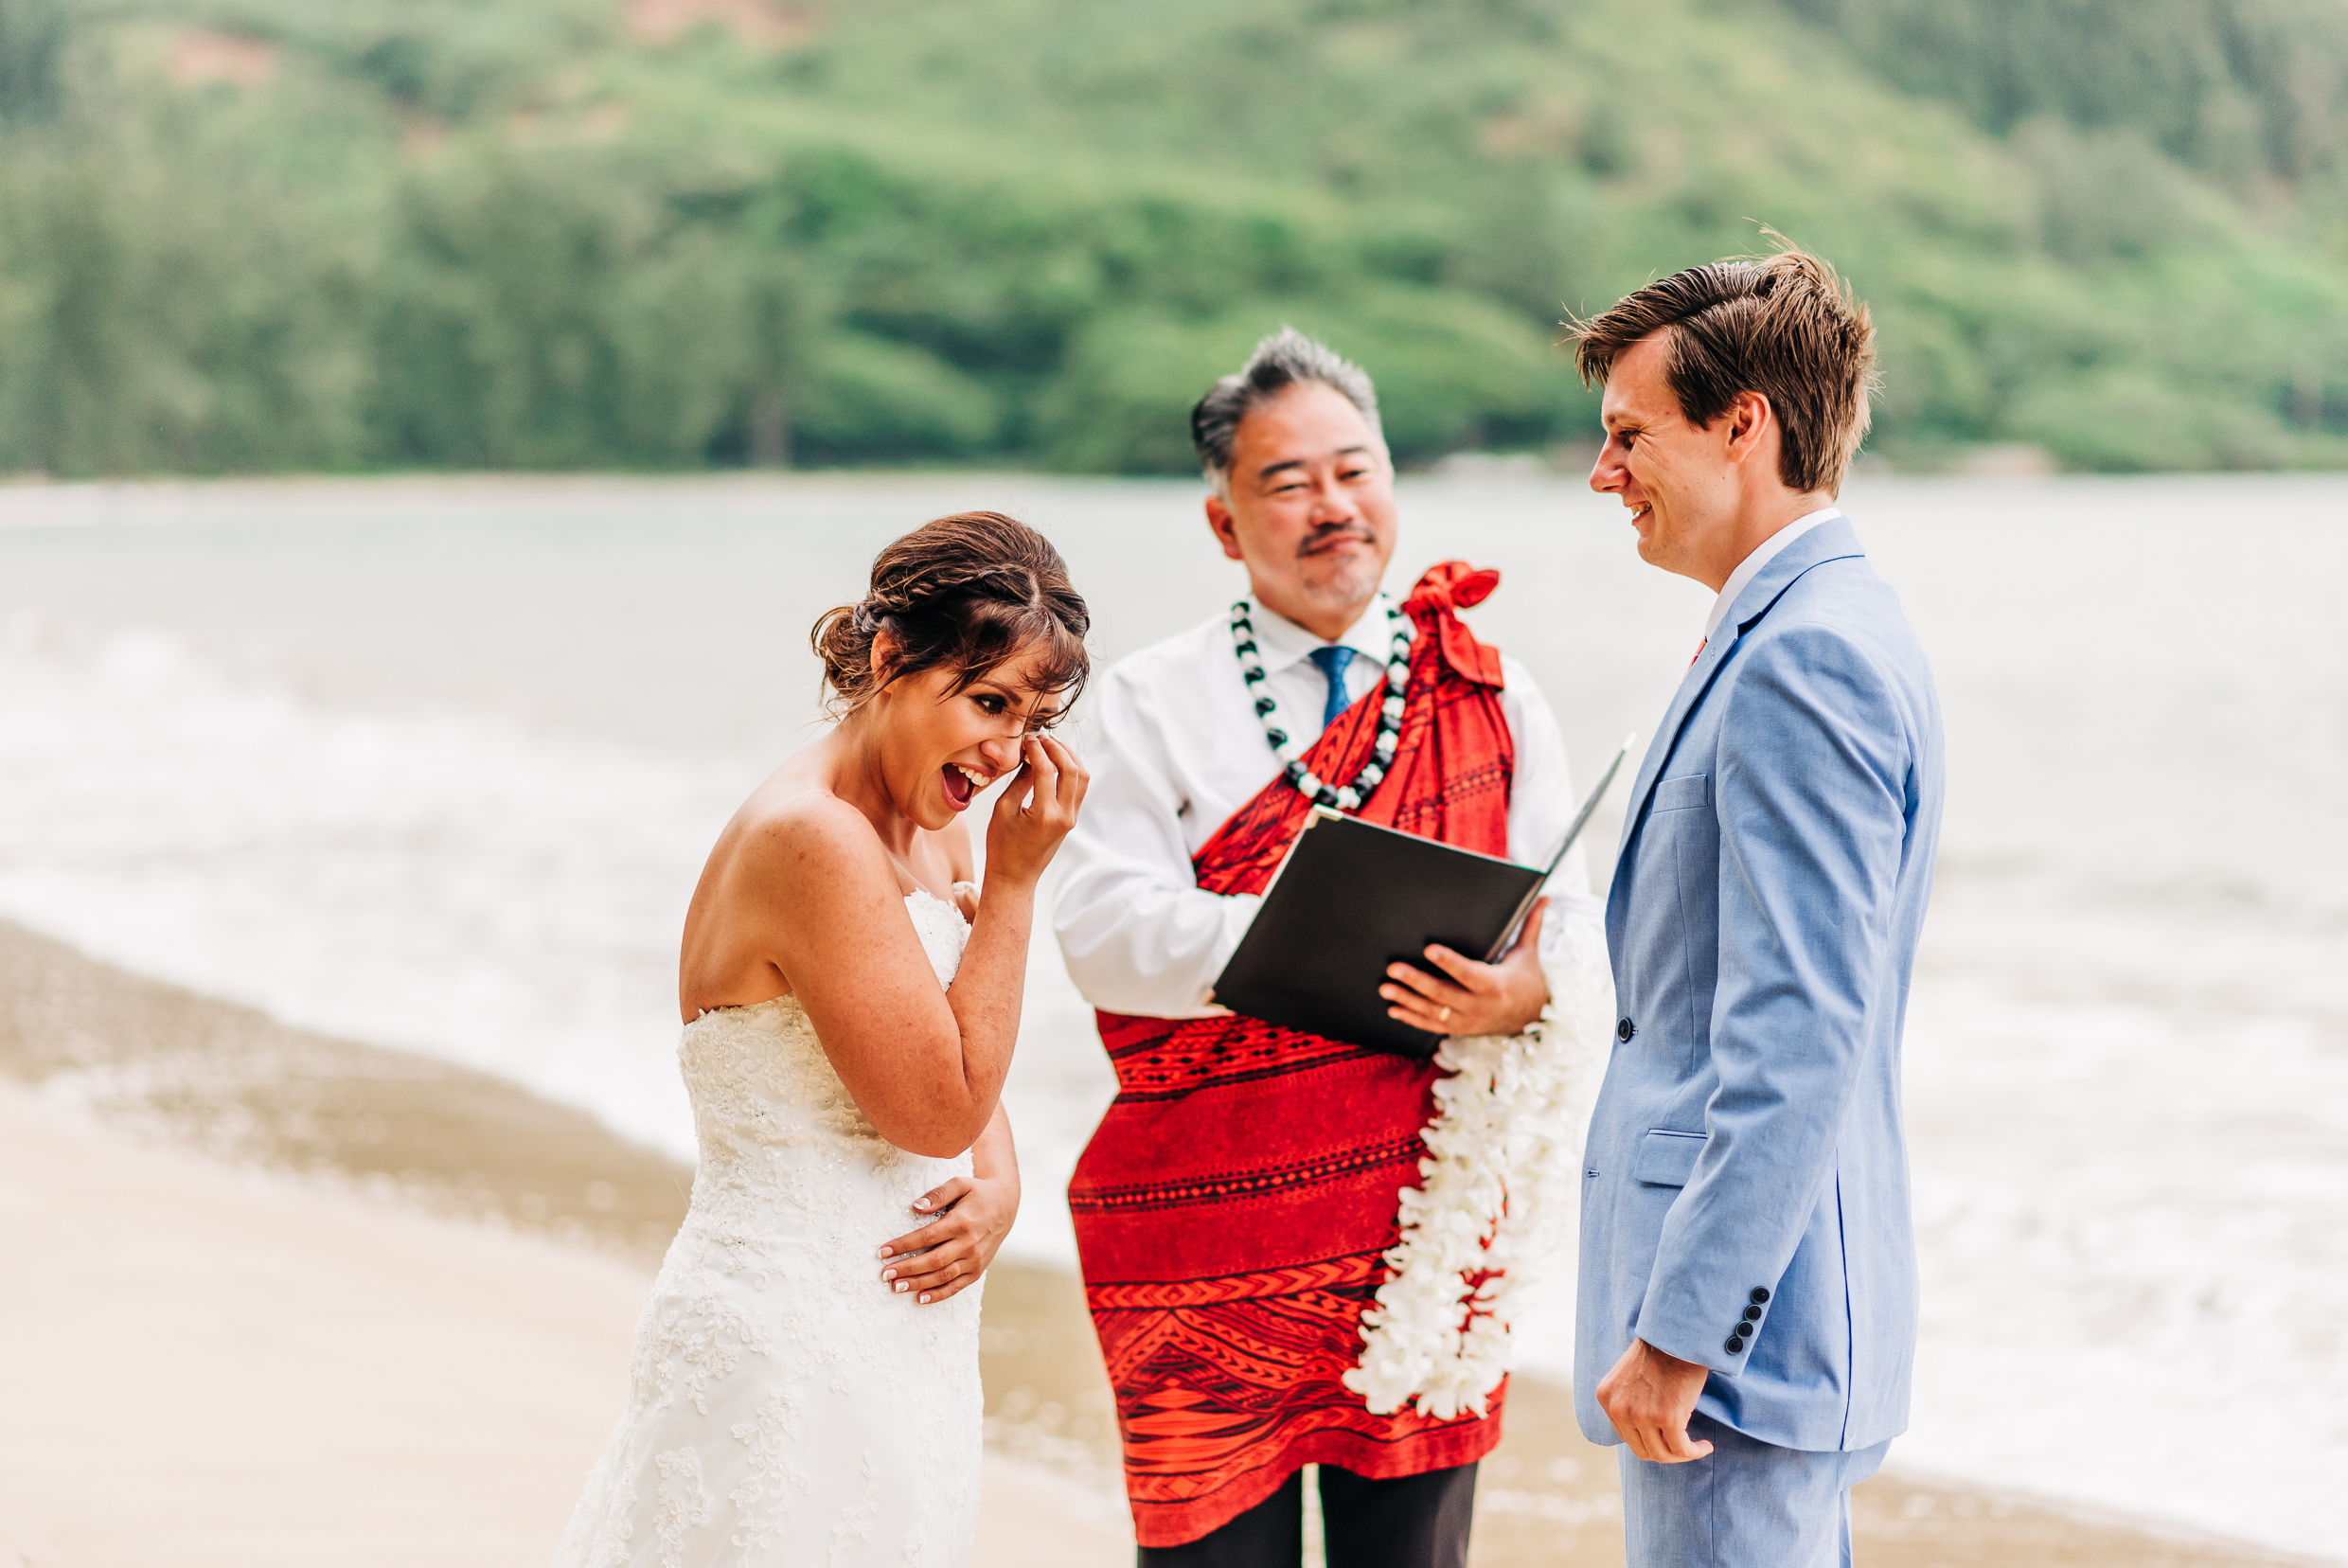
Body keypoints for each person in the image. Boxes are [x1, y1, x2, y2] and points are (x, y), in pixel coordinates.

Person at [1053, 329, 1613, 1566]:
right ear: (1222, 523)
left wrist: (1522, 991)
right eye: (1287, 481)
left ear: (1393, 484)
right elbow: (1099, 935)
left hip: (1422, 1240)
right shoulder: (1153, 698)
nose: (1331, 507)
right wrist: (1313, 934)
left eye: (1353, 471)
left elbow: (1569, 925)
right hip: (1204, 1243)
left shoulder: (1493, 688)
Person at [553, 512, 1091, 1568]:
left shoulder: (926, 821)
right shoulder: (813, 839)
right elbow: (934, 1107)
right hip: (790, 1340)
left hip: (897, 1333)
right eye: (986, 703)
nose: (1005, 752)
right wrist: (1018, 885)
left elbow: (940, 1049)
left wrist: (1000, 1177)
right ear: (891, 658)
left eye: (1030, 720)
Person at [1566, 246, 1945, 1565]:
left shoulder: (1808, 657)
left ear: (1745, 425)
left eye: (1628, 436)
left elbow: (1795, 1031)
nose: (1603, 473)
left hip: (1744, 1348)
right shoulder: (1811, 623)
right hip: (1777, 1323)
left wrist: (1681, 1335)